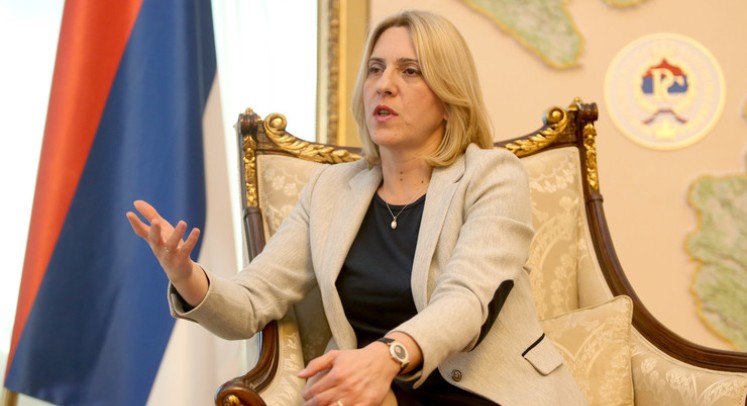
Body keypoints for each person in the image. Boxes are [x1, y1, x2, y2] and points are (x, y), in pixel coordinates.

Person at [127, 10, 586, 406]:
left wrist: (387, 355)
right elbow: (250, 303)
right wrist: (186, 275)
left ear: (449, 98)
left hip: (491, 393)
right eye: (375, 69)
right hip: (375, 396)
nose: (384, 85)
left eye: (410, 71)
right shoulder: (329, 190)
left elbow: (465, 299)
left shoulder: (493, 175)